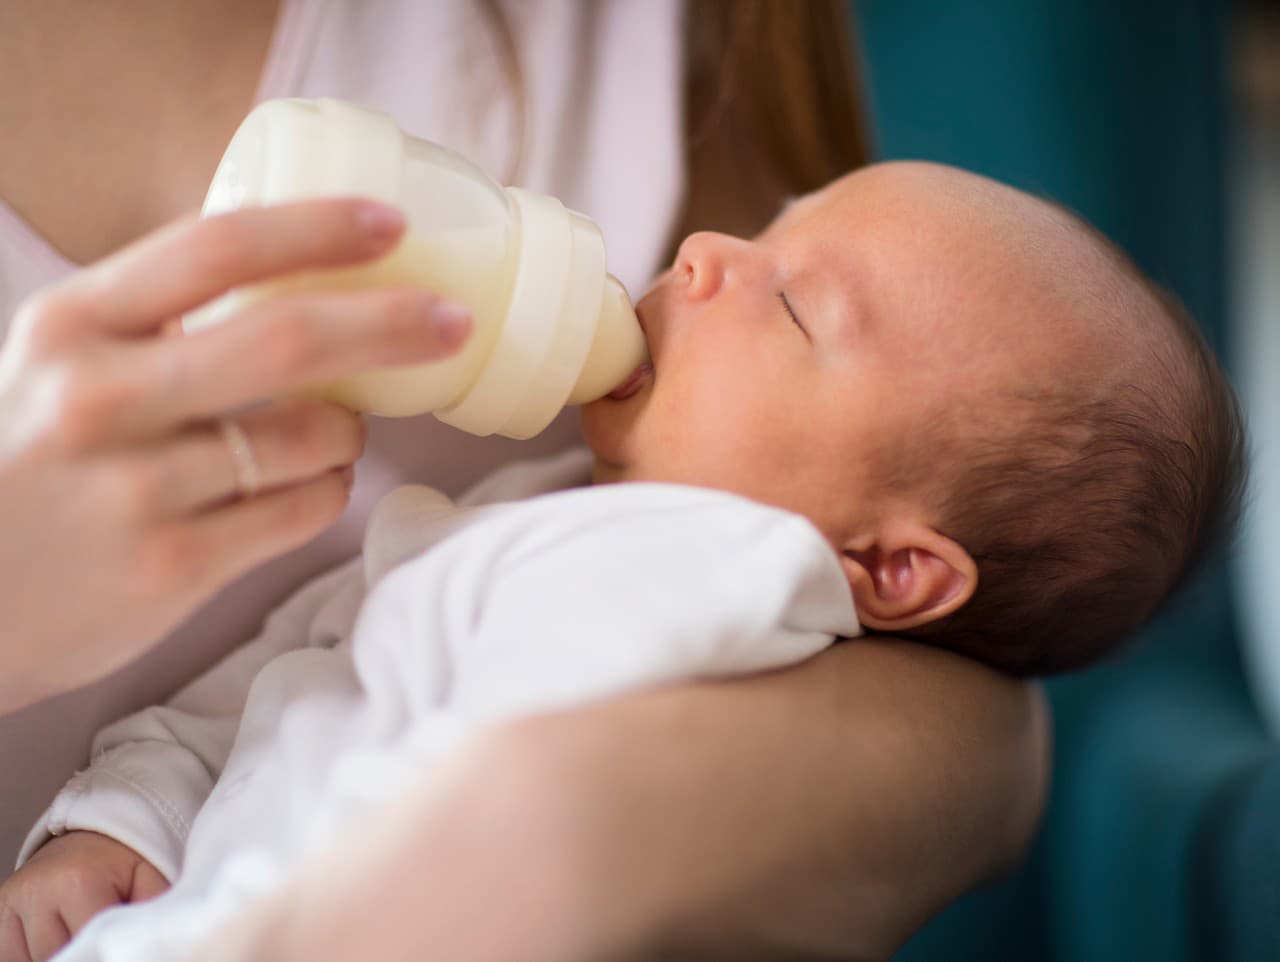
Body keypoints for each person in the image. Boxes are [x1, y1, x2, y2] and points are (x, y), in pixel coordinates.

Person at [0, 3, 1049, 961]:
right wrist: (120, 820)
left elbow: (970, 729)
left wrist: (539, 837)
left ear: (893, 565)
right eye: (764, 235)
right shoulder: (495, 522)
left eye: (792, 308)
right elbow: (264, 692)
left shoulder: (761, 577)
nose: (702, 255)